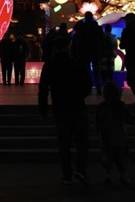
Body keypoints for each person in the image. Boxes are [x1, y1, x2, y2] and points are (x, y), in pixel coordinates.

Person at [38, 35, 92, 185]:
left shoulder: (50, 64)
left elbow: (43, 88)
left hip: (60, 106)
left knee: (64, 143)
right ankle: (81, 170)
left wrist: (43, 109)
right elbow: (87, 83)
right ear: (68, 46)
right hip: (77, 105)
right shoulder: (77, 62)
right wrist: (82, 94)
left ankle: (67, 175)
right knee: (81, 142)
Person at [95, 80, 135, 185]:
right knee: (121, 157)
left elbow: (97, 121)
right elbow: (128, 118)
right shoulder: (120, 105)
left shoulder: (102, 107)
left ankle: (108, 175)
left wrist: (98, 133)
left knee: (107, 157)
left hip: (106, 135)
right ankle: (124, 176)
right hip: (120, 135)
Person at [71, 11, 104, 95]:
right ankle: (98, 87)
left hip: (84, 52)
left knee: (86, 71)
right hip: (95, 51)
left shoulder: (82, 27)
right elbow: (102, 40)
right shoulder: (97, 27)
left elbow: (76, 33)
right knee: (97, 70)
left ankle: (88, 88)